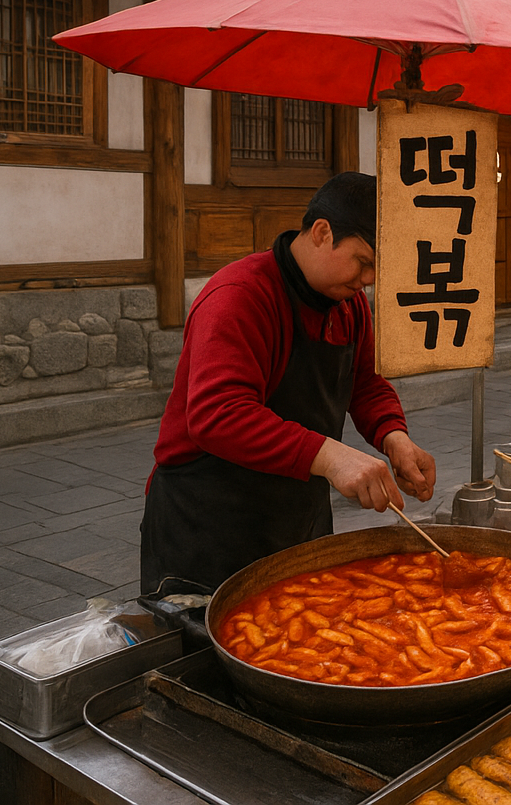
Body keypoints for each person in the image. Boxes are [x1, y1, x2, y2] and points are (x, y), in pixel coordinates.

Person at [141, 173, 437, 596]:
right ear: (322, 233)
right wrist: (334, 458)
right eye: (363, 261)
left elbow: (366, 384)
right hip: (209, 523)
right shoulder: (239, 295)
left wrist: (394, 437)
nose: (368, 279)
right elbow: (217, 415)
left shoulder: (348, 304)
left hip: (297, 514)